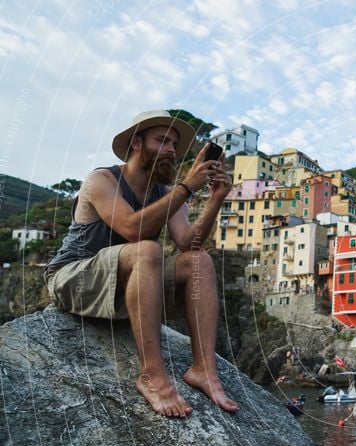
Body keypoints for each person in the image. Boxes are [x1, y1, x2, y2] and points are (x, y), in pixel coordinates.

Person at [44, 110, 239, 417]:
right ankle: (152, 375)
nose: (172, 151)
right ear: (136, 143)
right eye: (163, 141)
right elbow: (132, 229)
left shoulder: (164, 193)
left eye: (175, 145)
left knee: (198, 261)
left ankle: (204, 369)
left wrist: (216, 198)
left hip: (125, 283)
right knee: (147, 249)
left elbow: (189, 243)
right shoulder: (101, 180)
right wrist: (186, 188)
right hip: (74, 278)